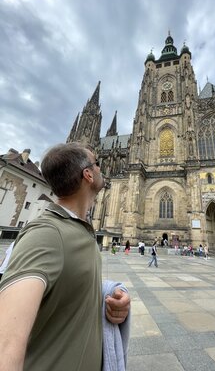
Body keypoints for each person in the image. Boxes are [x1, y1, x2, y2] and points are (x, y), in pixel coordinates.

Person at [0, 142, 130, 371]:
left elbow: (62, 285)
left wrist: (108, 298)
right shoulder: (46, 234)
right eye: (97, 163)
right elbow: (5, 344)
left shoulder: (79, 230)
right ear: (88, 175)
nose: (102, 168)